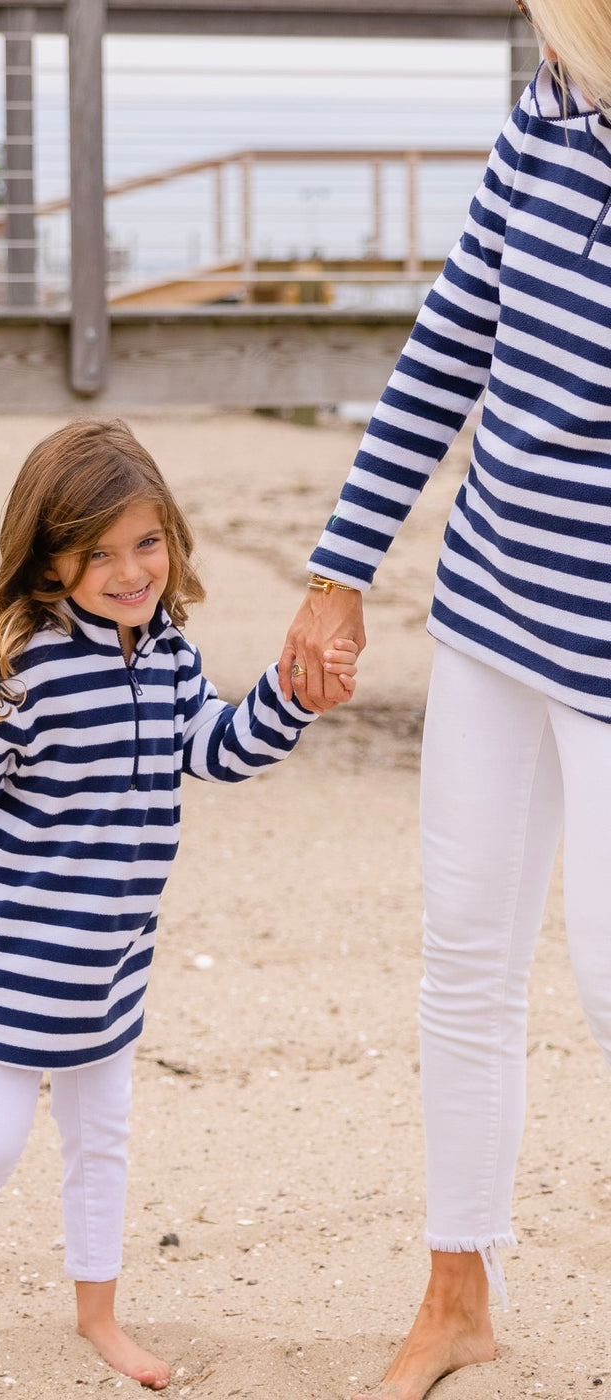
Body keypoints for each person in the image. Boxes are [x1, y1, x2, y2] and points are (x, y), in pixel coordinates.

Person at [0, 418, 358, 1392]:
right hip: (10, 961)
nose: (130, 571)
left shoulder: (164, 652)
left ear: (171, 535)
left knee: (101, 1140)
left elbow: (215, 745)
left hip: (110, 966)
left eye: (147, 542)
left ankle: (99, 1312)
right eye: (98, 553)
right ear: (50, 557)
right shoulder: (24, 668)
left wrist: (290, 698)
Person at [279, 4, 611, 1397]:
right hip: (487, 611)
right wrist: (337, 571)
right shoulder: (550, 103)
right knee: (465, 965)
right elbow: (449, 342)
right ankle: (456, 1294)